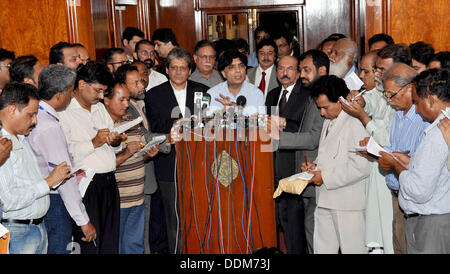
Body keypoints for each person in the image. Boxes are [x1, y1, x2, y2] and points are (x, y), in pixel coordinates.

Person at [26, 64, 96, 254]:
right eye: (71, 92)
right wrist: (84, 220)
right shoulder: (48, 126)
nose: (72, 96)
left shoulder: (33, 116)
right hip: (53, 203)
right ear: (59, 95)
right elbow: (64, 180)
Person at [145, 48, 209, 253]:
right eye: (174, 68)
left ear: (190, 70)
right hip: (168, 164)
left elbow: (204, 124)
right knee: (174, 219)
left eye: (183, 68)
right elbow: (154, 126)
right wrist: (179, 124)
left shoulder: (202, 91)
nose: (179, 72)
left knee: (199, 214)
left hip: (199, 163)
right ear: (167, 70)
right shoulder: (154, 94)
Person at [379, 68, 449, 253]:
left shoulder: (440, 132)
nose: (416, 109)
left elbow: (419, 190)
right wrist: (410, 162)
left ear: (431, 99)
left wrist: (397, 167)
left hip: (432, 224)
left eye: (417, 103)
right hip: (429, 222)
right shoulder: (441, 128)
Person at [301, 75, 371, 254]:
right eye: (320, 108)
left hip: (348, 203)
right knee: (322, 250)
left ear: (341, 101)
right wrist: (314, 167)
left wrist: (324, 177)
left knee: (353, 250)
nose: (322, 113)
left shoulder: (355, 122)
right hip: (324, 198)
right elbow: (329, 155)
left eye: (325, 107)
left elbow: (361, 166)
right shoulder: (328, 121)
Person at [58, 61, 123, 254]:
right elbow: (64, 153)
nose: (101, 96)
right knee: (88, 244)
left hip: (109, 181)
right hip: (86, 185)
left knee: (110, 241)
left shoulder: (99, 107)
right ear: (82, 85)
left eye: (104, 92)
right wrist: (93, 143)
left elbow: (113, 141)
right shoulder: (64, 112)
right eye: (97, 91)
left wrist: (115, 140)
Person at [0, 82, 71, 254]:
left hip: (36, 227)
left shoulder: (22, 139)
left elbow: (26, 183)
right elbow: (7, 200)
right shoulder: (3, 146)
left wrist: (55, 178)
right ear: (11, 110)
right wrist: (48, 182)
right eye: (30, 115)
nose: (35, 121)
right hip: (18, 231)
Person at [268, 49, 328, 254]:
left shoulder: (318, 96)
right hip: (297, 169)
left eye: (304, 70)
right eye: (300, 70)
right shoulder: (275, 94)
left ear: (322, 70)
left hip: (315, 171)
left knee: (312, 235)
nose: (301, 75)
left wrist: (277, 136)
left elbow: (313, 138)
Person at [340, 50, 396, 254]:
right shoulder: (379, 94)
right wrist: (361, 103)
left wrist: (363, 115)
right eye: (377, 70)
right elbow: (371, 101)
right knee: (377, 240)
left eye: (380, 70)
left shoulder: (398, 99)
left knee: (391, 239)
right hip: (376, 176)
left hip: (391, 177)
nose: (363, 76)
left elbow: (386, 137)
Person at [115, 64, 171, 254]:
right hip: (128, 186)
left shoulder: (138, 105)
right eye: (136, 82)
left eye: (142, 80)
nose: (142, 85)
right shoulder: (124, 110)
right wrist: (167, 139)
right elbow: (143, 138)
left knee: (140, 237)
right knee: (132, 238)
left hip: (142, 181)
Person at [377, 63, 428, 254]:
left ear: (409, 88)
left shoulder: (424, 116)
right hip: (397, 195)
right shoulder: (397, 114)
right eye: (386, 95)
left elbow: (419, 160)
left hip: (416, 200)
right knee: (399, 247)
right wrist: (379, 151)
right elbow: (397, 149)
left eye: (392, 94)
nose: (389, 100)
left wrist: (395, 159)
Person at [103, 80, 159, 254]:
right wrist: (126, 153)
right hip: (117, 199)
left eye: (128, 99)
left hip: (137, 195)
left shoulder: (132, 121)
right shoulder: (103, 127)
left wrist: (147, 154)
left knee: (134, 245)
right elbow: (102, 165)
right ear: (106, 99)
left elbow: (139, 154)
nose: (127, 104)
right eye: (121, 100)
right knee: (116, 245)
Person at [207, 49, 265, 116]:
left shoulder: (256, 94)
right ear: (223, 73)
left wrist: (238, 110)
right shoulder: (213, 94)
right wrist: (223, 112)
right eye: (231, 67)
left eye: (241, 66)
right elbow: (206, 123)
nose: (238, 70)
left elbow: (262, 123)